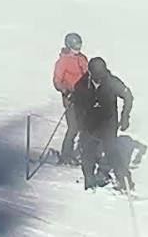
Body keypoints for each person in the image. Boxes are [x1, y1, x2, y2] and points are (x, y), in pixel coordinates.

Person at [69, 56, 134, 191]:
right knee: (87, 151)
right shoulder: (81, 85)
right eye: (97, 76)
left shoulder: (112, 81)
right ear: (90, 73)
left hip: (108, 121)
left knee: (111, 150)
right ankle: (89, 181)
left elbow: (128, 96)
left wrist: (125, 117)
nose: (99, 79)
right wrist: (81, 123)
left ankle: (124, 181)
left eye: (102, 75)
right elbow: (77, 105)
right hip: (89, 122)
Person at [52, 32, 89, 165]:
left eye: (80, 45)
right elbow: (57, 80)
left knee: (85, 127)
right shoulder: (63, 61)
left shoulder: (82, 58)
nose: (78, 48)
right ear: (69, 45)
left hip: (84, 97)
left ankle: (84, 151)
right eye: (75, 46)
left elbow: (88, 74)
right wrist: (65, 90)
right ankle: (66, 155)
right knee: (73, 127)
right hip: (71, 98)